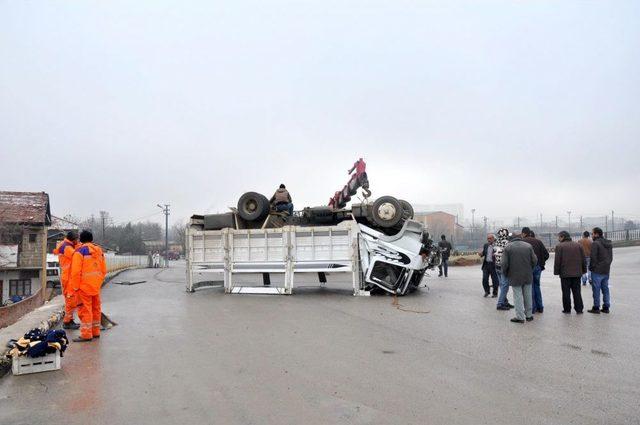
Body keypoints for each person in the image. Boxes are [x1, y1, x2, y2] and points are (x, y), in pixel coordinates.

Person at [69, 230, 107, 342]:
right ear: (91, 239)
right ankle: (95, 332)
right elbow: (103, 269)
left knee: (85, 310)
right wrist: (98, 282)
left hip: (83, 287)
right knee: (96, 308)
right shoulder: (99, 250)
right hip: (95, 286)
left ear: (81, 239)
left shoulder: (79, 252)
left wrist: (75, 287)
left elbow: (75, 272)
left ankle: (86, 334)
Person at [501, 234, 537, 323]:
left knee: (517, 296)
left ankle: (520, 317)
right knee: (528, 295)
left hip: (514, 275)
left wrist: (505, 273)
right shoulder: (528, 246)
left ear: (510, 239)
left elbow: (504, 263)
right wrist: (530, 269)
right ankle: (529, 315)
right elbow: (535, 260)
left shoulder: (508, 247)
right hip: (527, 275)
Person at [53, 231, 81, 330]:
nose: (78, 241)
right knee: (71, 300)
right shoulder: (67, 247)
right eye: (77, 239)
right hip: (68, 277)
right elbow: (77, 256)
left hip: (68, 276)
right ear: (73, 240)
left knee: (71, 300)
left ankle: (70, 320)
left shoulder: (66, 245)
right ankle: (67, 322)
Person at [553, 231, 586, 314]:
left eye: (559, 237)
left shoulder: (559, 246)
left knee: (566, 292)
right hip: (577, 273)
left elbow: (557, 261)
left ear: (563, 237)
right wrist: (584, 270)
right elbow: (583, 259)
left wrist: (556, 272)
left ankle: (567, 309)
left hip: (565, 274)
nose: (558, 239)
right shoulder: (578, 245)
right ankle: (579, 309)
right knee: (577, 292)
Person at [521, 227, 549, 314]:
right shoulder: (538, 241)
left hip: (527, 268)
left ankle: (532, 308)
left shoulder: (523, 243)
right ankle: (540, 307)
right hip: (537, 268)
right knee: (537, 286)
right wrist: (540, 263)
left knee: (529, 288)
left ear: (524, 233)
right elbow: (546, 255)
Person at [588, 227, 613, 314]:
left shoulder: (595, 243)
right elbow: (611, 257)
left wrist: (592, 268)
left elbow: (593, 258)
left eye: (592, 234)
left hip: (597, 271)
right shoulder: (609, 243)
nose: (591, 235)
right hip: (606, 270)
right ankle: (606, 307)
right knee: (605, 289)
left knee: (596, 289)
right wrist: (607, 265)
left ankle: (596, 307)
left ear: (596, 234)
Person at [494, 228, 513, 310]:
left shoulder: (496, 242)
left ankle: (505, 302)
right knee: (505, 286)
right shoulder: (508, 243)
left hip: (497, 266)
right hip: (504, 267)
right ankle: (500, 304)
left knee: (502, 285)